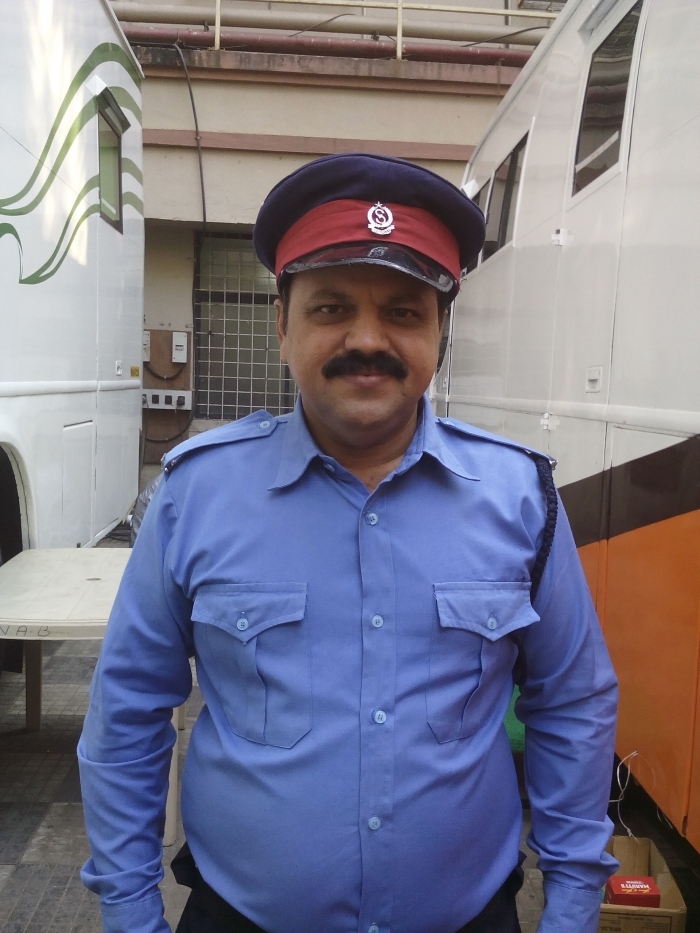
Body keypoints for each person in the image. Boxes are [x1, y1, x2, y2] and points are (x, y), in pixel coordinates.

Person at [78, 153, 618, 933]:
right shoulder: (196, 495)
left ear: (439, 331)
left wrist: (570, 909)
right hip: (241, 916)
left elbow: (572, 702)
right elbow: (127, 710)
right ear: (282, 324)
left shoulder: (521, 496)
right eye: (331, 307)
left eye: (403, 311)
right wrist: (130, 914)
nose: (367, 339)